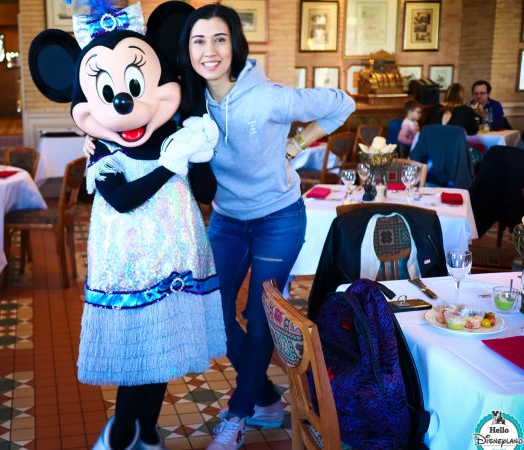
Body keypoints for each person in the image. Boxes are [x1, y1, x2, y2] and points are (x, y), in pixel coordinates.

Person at [29, 2, 226, 450]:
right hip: (128, 269)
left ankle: (147, 433)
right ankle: (120, 437)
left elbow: (206, 191)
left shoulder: (173, 131)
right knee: (136, 358)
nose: (124, 99)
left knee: (161, 357)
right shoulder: (102, 149)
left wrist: (199, 147)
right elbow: (120, 200)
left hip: (176, 263)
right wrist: (168, 166)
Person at [177, 5, 354, 449]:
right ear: (188, 49)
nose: (209, 50)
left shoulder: (268, 96)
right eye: (199, 41)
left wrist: (297, 141)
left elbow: (342, 104)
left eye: (219, 39)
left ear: (235, 43)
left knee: (260, 319)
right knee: (210, 313)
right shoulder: (190, 98)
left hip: (278, 216)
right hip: (228, 218)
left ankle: (238, 415)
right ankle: (266, 398)